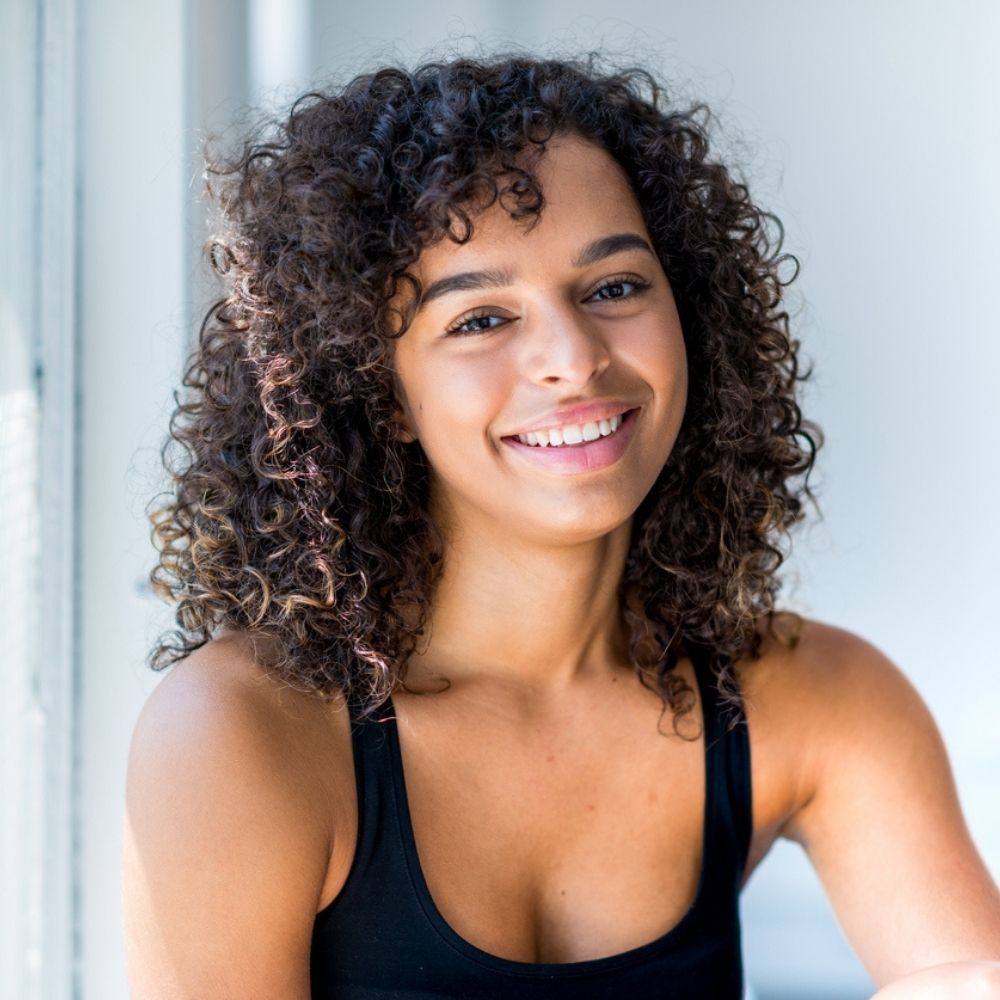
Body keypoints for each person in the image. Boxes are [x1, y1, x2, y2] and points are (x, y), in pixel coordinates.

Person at [122, 52, 1000, 999]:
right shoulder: (245, 733)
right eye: (479, 319)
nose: (574, 360)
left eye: (614, 287)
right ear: (376, 388)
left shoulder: (817, 699)